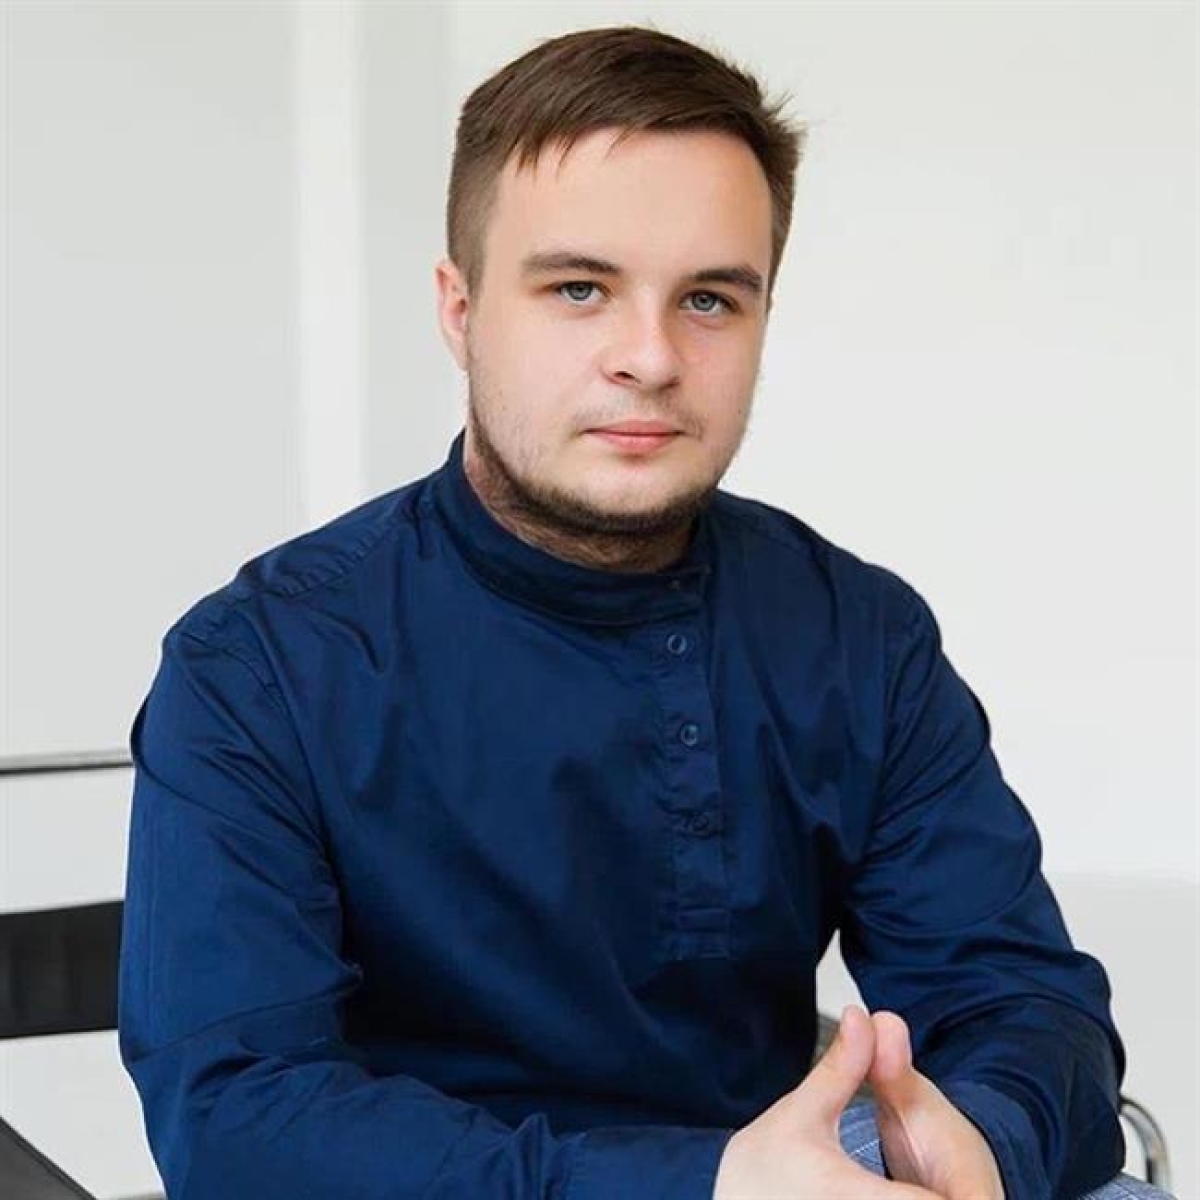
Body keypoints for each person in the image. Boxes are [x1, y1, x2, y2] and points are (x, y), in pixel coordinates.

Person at [117, 24, 1172, 1200]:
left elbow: (1020, 999)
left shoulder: (859, 638)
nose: (651, 357)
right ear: (460, 310)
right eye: (579, 289)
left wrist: (979, 1140)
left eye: (710, 299)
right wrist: (705, 1185)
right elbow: (239, 1120)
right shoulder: (258, 664)